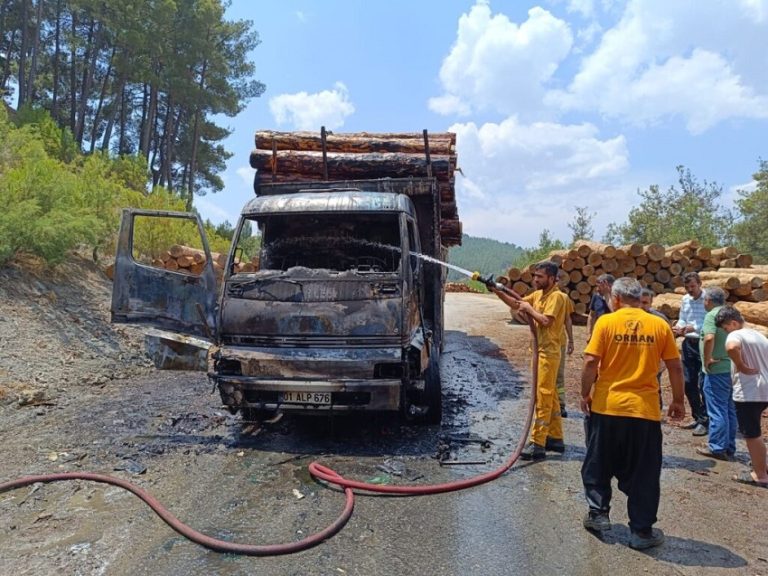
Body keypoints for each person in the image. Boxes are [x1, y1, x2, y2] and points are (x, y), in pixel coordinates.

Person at [580, 277, 685, 550]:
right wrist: (677, 401)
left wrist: (584, 393)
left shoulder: (606, 322)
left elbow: (591, 361)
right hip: (644, 410)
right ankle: (641, 531)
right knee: (644, 472)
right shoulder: (659, 325)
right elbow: (675, 366)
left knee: (598, 462)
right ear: (640, 298)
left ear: (615, 299)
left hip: (607, 407)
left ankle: (598, 514)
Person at [491, 260, 567, 460]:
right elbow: (518, 304)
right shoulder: (539, 294)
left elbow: (545, 320)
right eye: (534, 276)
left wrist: (529, 309)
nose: (535, 280)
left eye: (540, 277)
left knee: (543, 395)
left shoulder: (557, 297)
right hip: (541, 350)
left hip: (549, 353)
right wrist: (497, 292)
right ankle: (556, 438)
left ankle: (538, 443)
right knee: (551, 396)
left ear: (551, 278)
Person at [715, 307, 768, 487]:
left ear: (734, 323)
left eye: (725, 327)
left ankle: (760, 475)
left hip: (749, 391)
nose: (725, 331)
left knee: (752, 433)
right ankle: (762, 466)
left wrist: (741, 366)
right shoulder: (759, 335)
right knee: (755, 429)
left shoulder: (735, 335)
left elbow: (732, 347)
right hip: (763, 388)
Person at [696, 287, 737, 461]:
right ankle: (729, 446)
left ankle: (717, 447)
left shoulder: (712, 315)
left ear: (709, 300)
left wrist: (707, 360)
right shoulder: (732, 313)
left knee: (717, 409)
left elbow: (709, 338)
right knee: (729, 409)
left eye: (705, 300)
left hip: (717, 370)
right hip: (732, 369)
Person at [673, 272, 708, 436]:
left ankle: (706, 420)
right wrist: (679, 327)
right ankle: (698, 416)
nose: (690, 290)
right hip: (688, 344)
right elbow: (683, 318)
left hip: (704, 344)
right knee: (688, 382)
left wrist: (693, 328)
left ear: (700, 284)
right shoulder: (685, 299)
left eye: (692, 286)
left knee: (704, 383)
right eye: (687, 287)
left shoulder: (709, 299)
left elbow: (711, 322)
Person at [556, 292, 575, 417]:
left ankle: (560, 404)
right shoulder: (537, 296)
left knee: (558, 375)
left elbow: (567, 319)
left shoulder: (563, 298)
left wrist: (571, 340)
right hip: (542, 345)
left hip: (559, 343)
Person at [586, 274, 614, 341]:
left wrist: (606, 294)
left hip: (613, 334)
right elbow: (591, 315)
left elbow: (616, 312)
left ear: (609, 286)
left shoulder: (618, 298)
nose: (597, 289)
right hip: (599, 333)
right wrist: (589, 333)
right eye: (596, 286)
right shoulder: (596, 296)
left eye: (600, 287)